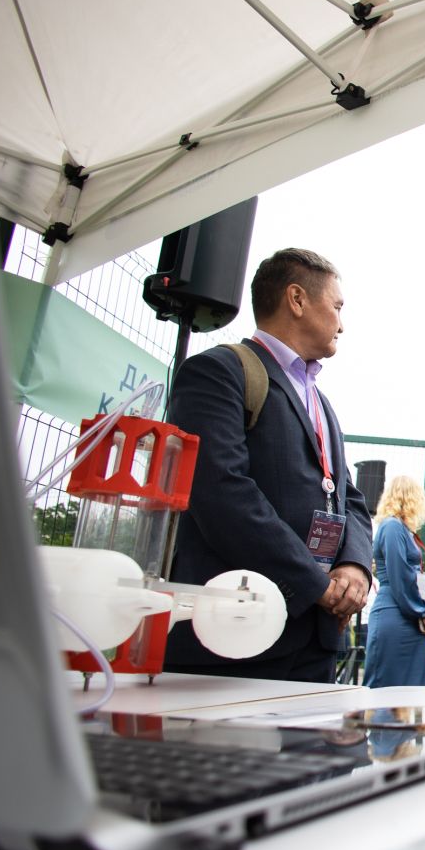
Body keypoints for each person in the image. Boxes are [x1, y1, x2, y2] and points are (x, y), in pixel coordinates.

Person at [165, 248, 372, 682]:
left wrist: (354, 568)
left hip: (313, 636)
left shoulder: (320, 401)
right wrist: (314, 584)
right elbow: (221, 492)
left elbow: (348, 497)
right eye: (336, 307)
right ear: (297, 300)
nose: (342, 324)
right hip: (235, 635)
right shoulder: (218, 372)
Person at [362, 476, 425, 687]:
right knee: (386, 691)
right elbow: (401, 575)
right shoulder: (392, 527)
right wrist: (423, 609)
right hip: (396, 614)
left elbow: (414, 576)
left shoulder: (403, 530)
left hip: (407, 617)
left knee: (411, 694)